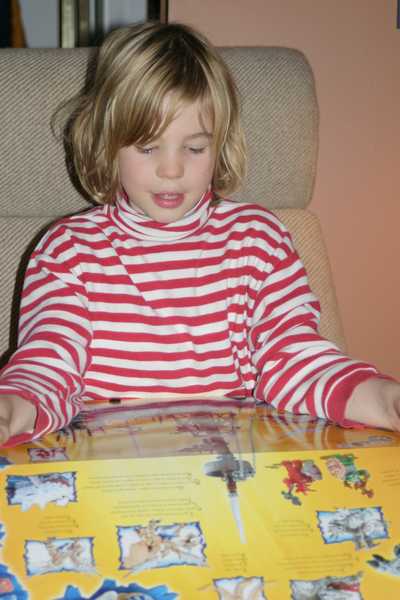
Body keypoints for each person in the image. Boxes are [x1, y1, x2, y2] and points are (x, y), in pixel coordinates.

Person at [0, 22, 399, 448]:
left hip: (230, 469)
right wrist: (9, 410)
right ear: (108, 143)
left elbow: (295, 360)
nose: (172, 170)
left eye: (194, 148)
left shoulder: (258, 241)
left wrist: (383, 399)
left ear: (220, 145)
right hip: (108, 470)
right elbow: (48, 367)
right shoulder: (67, 251)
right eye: (147, 147)